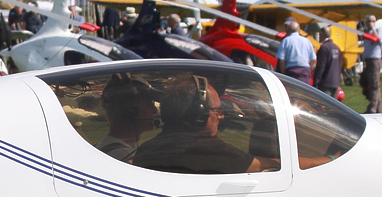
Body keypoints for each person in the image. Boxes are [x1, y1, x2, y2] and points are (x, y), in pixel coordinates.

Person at [132, 79, 266, 175]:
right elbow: (265, 167)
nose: (221, 116)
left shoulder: (145, 149)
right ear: (198, 114)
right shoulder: (208, 149)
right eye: (217, 110)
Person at [95, 75, 158, 161]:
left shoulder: (106, 149)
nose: (155, 110)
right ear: (130, 109)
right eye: (150, 103)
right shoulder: (122, 155)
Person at [277, 18, 316, 84]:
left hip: (291, 71)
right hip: (304, 72)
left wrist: (283, 73)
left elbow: (282, 61)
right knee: (304, 93)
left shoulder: (285, 41)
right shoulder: (307, 41)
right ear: (298, 30)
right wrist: (309, 71)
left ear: (288, 30)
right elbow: (314, 60)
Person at [359, 15, 382, 113]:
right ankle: (377, 107)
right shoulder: (365, 33)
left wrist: (373, 29)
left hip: (374, 60)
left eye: (372, 21)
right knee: (364, 81)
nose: (370, 23)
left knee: (374, 86)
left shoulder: (378, 31)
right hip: (368, 60)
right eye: (368, 21)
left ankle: (373, 108)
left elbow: (378, 38)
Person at [312, 25, 343, 98]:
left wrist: (316, 82)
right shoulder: (336, 47)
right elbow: (339, 65)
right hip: (335, 82)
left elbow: (321, 66)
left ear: (322, 35)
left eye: (319, 34)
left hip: (325, 82)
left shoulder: (324, 48)